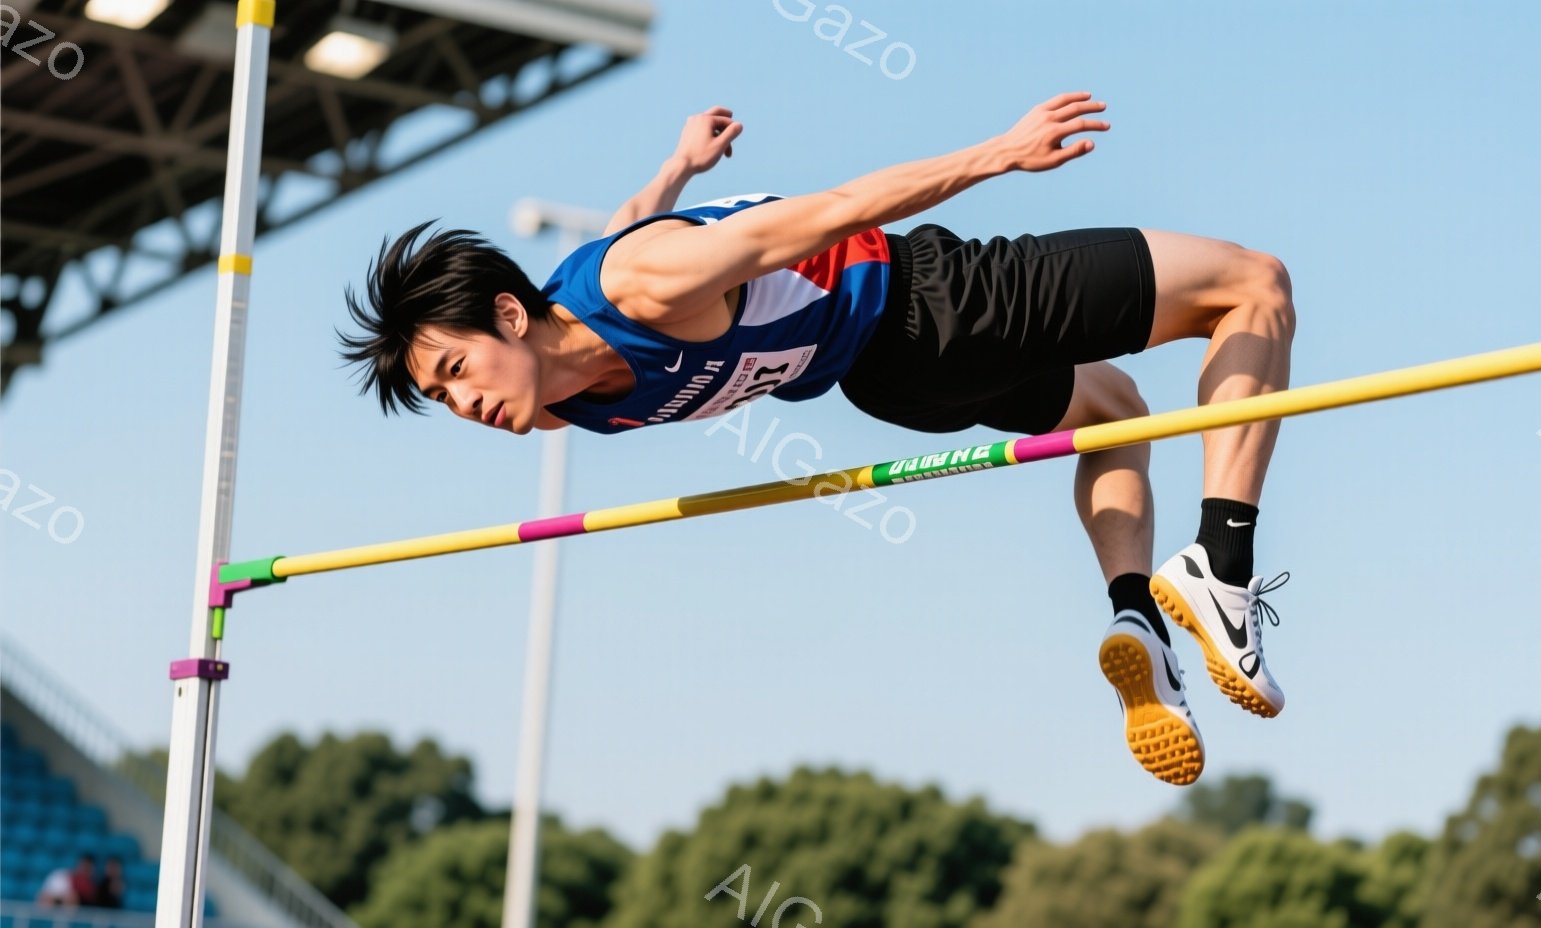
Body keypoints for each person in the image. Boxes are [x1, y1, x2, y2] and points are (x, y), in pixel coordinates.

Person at [339, 94, 1296, 786]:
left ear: (509, 315)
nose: (462, 405)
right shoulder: (559, 389)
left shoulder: (645, 282)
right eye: (439, 399)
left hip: (899, 363)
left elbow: (831, 210)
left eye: (455, 371)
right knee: (1252, 283)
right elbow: (629, 235)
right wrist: (678, 169)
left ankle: (1141, 616)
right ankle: (1225, 564)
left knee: (1117, 414)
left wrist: (997, 153)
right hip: (923, 317)